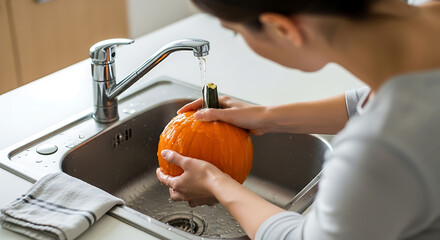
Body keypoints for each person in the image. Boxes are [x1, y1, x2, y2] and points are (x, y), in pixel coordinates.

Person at [156, 0, 440, 239]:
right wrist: (268, 116)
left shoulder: (380, 149)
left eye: (235, 32)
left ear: (282, 29)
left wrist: (216, 182)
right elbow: (382, 98)